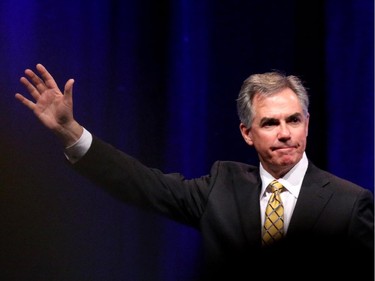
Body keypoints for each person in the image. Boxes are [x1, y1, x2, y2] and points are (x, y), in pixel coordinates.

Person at [15, 64, 374, 281]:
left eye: (293, 120)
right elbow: (144, 185)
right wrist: (71, 133)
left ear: (307, 125)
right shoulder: (222, 186)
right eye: (270, 123)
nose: (284, 133)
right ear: (247, 133)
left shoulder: (349, 202)